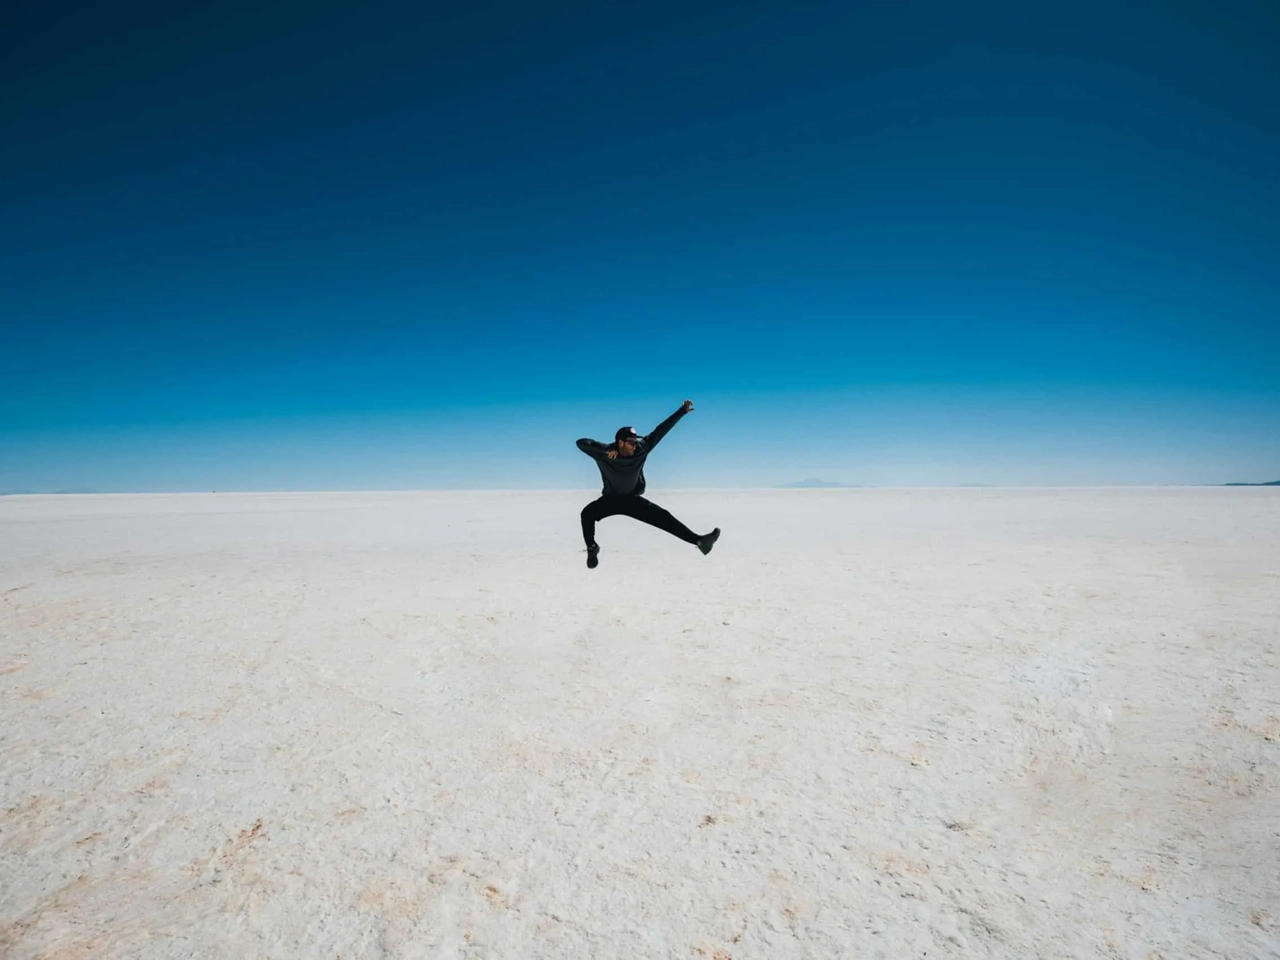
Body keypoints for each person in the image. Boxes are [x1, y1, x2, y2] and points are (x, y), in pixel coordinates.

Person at [576, 399, 720, 568]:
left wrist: (682, 411)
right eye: (631, 442)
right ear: (620, 443)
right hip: (610, 500)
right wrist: (605, 450)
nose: (635, 445)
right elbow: (581, 443)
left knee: (663, 517)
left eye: (635, 441)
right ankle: (592, 548)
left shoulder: (641, 449)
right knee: (587, 513)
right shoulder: (605, 453)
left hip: (632, 500)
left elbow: (661, 430)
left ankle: (699, 541)